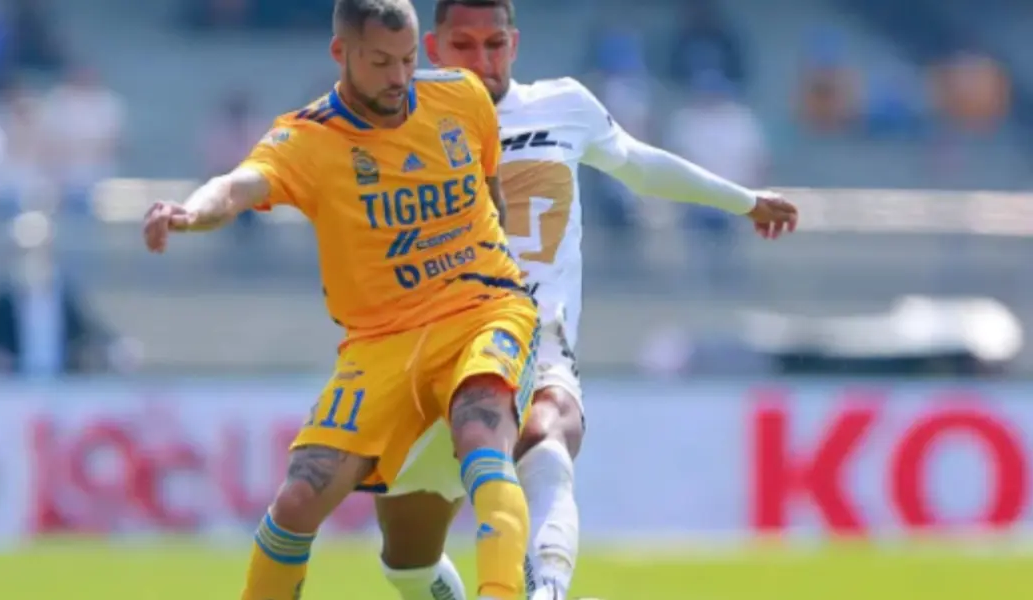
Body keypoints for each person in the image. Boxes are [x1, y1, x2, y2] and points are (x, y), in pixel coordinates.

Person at [374, 2, 800, 600]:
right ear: (435, 51)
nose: (482, 60)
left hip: (535, 338)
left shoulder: (563, 104)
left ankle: (547, 589)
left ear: (514, 44)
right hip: (433, 350)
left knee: (549, 435)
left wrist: (743, 200)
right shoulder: (394, 116)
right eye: (464, 46)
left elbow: (639, 166)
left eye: (494, 43)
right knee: (406, 564)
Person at [142, 1, 537, 598]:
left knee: (481, 432)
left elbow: (491, 196)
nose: (399, 78)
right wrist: (190, 212)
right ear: (341, 53)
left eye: (407, 60)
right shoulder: (308, 138)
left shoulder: (461, 97)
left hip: (482, 309)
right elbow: (238, 185)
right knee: (300, 498)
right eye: (380, 62)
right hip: (379, 343)